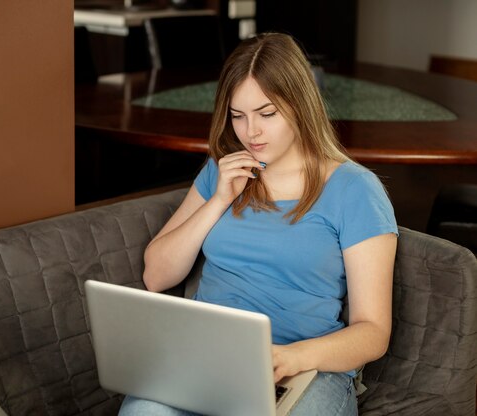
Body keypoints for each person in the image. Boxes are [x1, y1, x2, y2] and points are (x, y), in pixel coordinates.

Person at [119, 32, 398, 416]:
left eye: (267, 114)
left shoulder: (354, 189)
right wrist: (219, 199)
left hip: (310, 367)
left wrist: (291, 357)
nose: (251, 132)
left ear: (301, 105)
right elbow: (157, 276)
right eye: (238, 115)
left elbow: (373, 331)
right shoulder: (222, 171)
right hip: (208, 355)